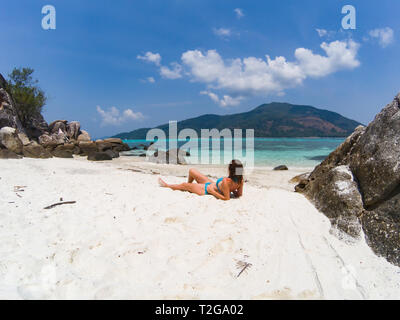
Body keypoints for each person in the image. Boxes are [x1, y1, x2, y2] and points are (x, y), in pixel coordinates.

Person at [158, 159, 244, 200]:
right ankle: (189, 188)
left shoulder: (226, 181)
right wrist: (230, 189)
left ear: (231, 170)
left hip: (206, 189)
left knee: (184, 185)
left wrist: (212, 192)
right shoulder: (240, 181)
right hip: (211, 184)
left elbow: (226, 198)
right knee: (192, 171)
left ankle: (167, 185)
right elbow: (238, 194)